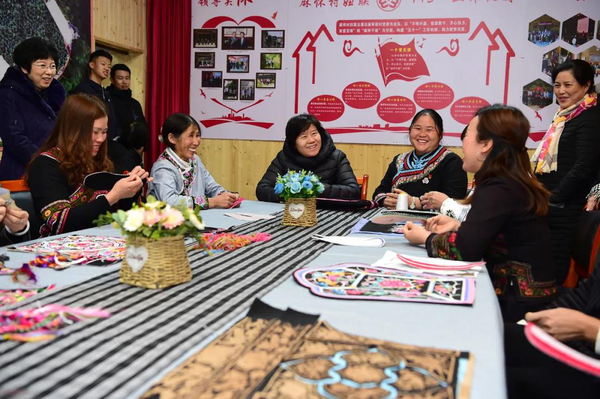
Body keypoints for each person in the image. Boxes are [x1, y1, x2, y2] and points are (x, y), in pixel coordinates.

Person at [403, 105, 558, 322]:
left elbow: (465, 249)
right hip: (515, 295)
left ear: (485, 145)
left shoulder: (500, 187)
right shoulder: (507, 181)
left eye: (467, 135)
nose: (462, 143)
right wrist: (458, 226)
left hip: (520, 309)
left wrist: (424, 238)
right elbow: (501, 232)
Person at [27, 94, 148, 237]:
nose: (101, 139)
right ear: (73, 129)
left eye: (104, 132)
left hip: (101, 242)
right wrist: (113, 196)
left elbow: (120, 214)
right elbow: (59, 223)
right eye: (95, 132)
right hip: (58, 252)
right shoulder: (45, 165)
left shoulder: (99, 159)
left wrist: (131, 188)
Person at [531, 59, 600, 284]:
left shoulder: (589, 118)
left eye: (568, 85)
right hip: (551, 206)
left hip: (565, 209)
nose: (560, 91)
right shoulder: (565, 116)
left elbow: (583, 167)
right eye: (557, 85)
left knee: (553, 269)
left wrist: (553, 198)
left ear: (586, 84)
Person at [504, 263, 600, 398]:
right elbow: (586, 295)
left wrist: (590, 329)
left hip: (592, 371)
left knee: (495, 377)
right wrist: (528, 324)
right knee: (489, 339)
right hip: (577, 347)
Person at [372, 109, 467, 210]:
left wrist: (413, 202)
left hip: (434, 223)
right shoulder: (399, 160)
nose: (422, 134)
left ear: (440, 135)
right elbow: (379, 193)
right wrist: (385, 200)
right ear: (409, 131)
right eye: (417, 128)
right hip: (393, 219)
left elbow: (455, 204)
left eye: (429, 130)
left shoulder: (451, 161)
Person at [0, 37, 66, 180]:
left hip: (54, 172)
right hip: (21, 174)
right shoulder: (8, 93)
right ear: (24, 67)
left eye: (52, 66)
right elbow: (14, 137)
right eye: (42, 65)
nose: (49, 72)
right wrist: (45, 163)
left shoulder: (57, 94)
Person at [256, 114, 359, 203]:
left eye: (314, 134)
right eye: (304, 137)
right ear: (294, 144)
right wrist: (291, 192)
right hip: (293, 215)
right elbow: (262, 189)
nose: (311, 140)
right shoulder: (284, 157)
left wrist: (317, 188)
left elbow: (354, 191)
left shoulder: (337, 157)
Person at [148, 113, 238, 209]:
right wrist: (213, 202)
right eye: (190, 136)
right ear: (172, 138)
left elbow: (211, 186)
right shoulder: (162, 168)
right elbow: (170, 201)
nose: (196, 142)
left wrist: (227, 196)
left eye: (198, 135)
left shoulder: (195, 160)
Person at [71, 49, 121, 139]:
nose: (107, 68)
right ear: (92, 65)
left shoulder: (105, 92)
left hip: (108, 142)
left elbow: (113, 118)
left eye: (109, 66)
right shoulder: (83, 90)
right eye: (103, 64)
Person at [106, 64, 147, 139]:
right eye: (120, 78)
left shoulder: (135, 103)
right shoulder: (107, 100)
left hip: (135, 147)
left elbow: (143, 126)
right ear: (112, 80)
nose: (124, 82)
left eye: (127, 78)